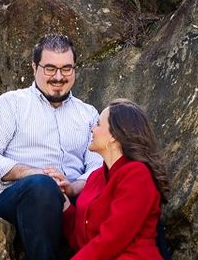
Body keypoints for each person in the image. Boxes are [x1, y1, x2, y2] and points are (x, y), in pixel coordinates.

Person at [0, 33, 102, 260]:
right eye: (50, 68)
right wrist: (31, 172)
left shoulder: (87, 113)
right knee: (41, 186)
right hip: (14, 200)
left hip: (73, 200)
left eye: (66, 69)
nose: (58, 77)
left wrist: (72, 187)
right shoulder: (12, 104)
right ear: (34, 67)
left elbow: (99, 165)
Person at [62, 98, 169, 260]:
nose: (92, 129)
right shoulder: (94, 178)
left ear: (114, 135)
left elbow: (113, 238)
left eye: (98, 124)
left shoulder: (137, 174)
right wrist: (64, 203)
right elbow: (82, 240)